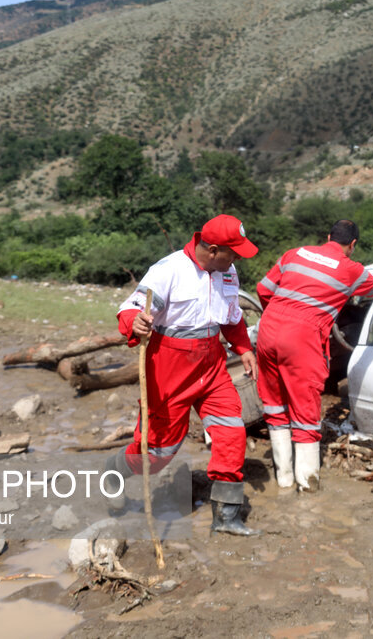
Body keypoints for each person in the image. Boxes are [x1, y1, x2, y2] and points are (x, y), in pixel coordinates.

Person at [106, 214, 261, 536]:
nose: (236, 260)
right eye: (233, 252)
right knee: (159, 452)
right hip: (168, 367)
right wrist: (134, 322)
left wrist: (243, 347)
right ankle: (116, 471)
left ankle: (226, 517)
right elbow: (129, 307)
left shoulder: (226, 271)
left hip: (212, 364)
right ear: (214, 249)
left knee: (232, 433)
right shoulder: (168, 270)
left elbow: (231, 317)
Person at [256, 219, 373, 491]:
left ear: (327, 236)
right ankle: (307, 488)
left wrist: (280, 317)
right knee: (305, 411)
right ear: (352, 245)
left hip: (268, 331)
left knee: (274, 405)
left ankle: (282, 481)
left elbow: (263, 290)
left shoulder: (294, 254)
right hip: (301, 339)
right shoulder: (351, 270)